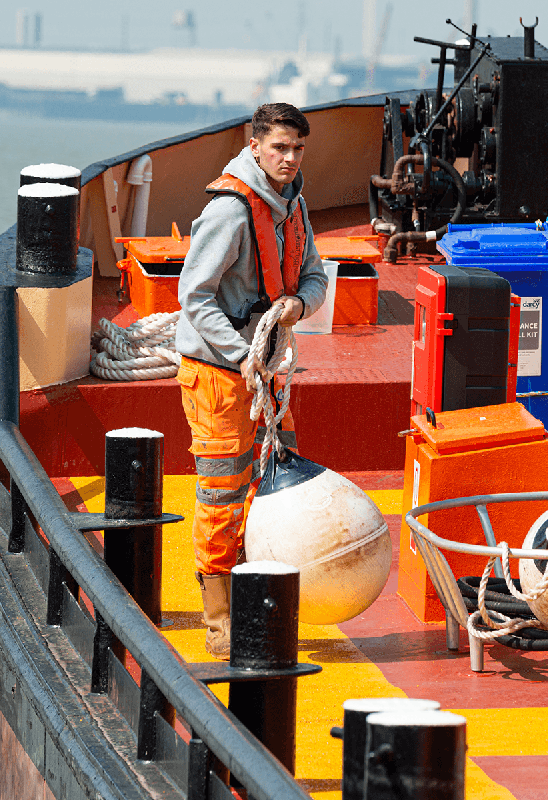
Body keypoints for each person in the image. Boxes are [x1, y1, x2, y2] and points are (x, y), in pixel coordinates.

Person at [174, 102, 329, 659]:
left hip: (265, 372)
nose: (290, 158)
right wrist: (243, 353)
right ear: (255, 144)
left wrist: (297, 304)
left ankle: (258, 594)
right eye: (280, 148)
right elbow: (193, 296)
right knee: (222, 491)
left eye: (298, 149)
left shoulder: (295, 206)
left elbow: (314, 276)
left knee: (271, 476)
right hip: (219, 373)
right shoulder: (230, 210)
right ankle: (219, 622)